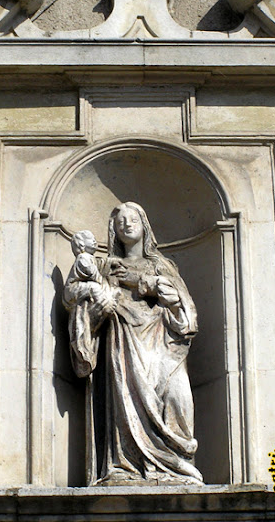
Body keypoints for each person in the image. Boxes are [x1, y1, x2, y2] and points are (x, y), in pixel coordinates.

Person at [65, 202, 203, 486]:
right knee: (125, 408)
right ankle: (125, 466)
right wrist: (98, 306)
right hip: (122, 345)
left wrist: (145, 283)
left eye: (133, 219)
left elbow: (186, 315)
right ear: (113, 230)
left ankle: (177, 465)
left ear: (144, 224)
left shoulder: (162, 266)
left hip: (164, 345)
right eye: (120, 221)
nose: (126, 224)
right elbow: (80, 306)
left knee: (178, 397)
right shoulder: (103, 268)